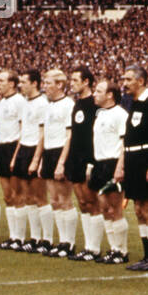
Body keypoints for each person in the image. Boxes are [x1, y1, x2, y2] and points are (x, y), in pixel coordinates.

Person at [119, 66, 148, 271]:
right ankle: (147, 256)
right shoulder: (134, 103)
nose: (125, 83)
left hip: (146, 159)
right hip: (133, 159)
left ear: (141, 81)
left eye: (129, 79)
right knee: (138, 209)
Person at [59, 68, 104, 261]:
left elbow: (96, 135)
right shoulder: (77, 104)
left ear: (86, 82)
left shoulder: (95, 104)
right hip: (75, 159)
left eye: (76, 79)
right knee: (83, 204)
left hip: (89, 159)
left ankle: (94, 248)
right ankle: (87, 247)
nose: (72, 83)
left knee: (92, 202)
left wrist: (92, 162)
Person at [89, 78, 130, 264]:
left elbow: (124, 143)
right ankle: (114, 249)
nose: (94, 94)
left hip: (113, 163)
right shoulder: (100, 114)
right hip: (100, 164)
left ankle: (122, 251)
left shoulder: (120, 114)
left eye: (98, 91)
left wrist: (120, 166)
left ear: (110, 95)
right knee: (104, 208)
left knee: (115, 209)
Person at [39, 70, 77, 258]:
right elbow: (45, 133)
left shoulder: (68, 105)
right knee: (54, 201)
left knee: (64, 200)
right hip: (48, 152)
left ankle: (69, 243)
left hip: (61, 151)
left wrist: (62, 162)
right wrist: (41, 160)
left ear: (60, 85)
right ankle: (61, 240)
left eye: (48, 82)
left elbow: (70, 135)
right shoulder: (48, 106)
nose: (44, 86)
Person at [15, 69, 50, 253]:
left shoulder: (42, 104)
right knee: (28, 197)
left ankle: (47, 239)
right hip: (24, 148)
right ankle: (35, 238)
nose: (20, 85)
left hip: (36, 149)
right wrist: (17, 155)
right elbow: (23, 131)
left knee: (40, 197)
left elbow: (43, 134)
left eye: (24, 81)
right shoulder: (24, 103)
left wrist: (36, 159)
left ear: (35, 83)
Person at [0, 69, 26, 250]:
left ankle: (19, 238)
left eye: (2, 80)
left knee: (17, 195)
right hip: (3, 148)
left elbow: (22, 130)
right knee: (7, 196)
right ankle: (13, 236)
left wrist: (16, 156)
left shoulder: (20, 102)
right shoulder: (1, 103)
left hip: (14, 147)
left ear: (12, 83)